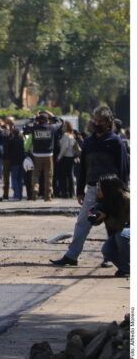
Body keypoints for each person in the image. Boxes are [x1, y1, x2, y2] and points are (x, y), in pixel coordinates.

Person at [51, 106, 129, 266]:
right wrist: (80, 190)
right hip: (93, 189)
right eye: (96, 120)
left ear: (109, 123)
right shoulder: (89, 142)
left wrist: (122, 191)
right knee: (83, 222)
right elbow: (83, 168)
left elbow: (123, 168)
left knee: (113, 225)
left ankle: (110, 257)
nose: (97, 123)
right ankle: (72, 256)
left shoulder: (115, 142)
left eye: (101, 121)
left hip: (113, 191)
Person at [88, 174, 130, 276]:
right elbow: (98, 221)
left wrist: (108, 215)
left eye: (100, 189)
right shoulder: (105, 200)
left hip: (128, 230)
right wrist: (97, 218)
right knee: (107, 250)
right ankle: (127, 268)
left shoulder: (126, 199)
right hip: (120, 231)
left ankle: (127, 269)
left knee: (121, 236)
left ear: (108, 189)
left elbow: (123, 224)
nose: (97, 192)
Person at [25, 111, 63, 201]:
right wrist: (52, 115)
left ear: (39, 120)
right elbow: (60, 123)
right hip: (48, 154)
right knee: (48, 175)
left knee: (35, 174)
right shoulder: (51, 128)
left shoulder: (34, 128)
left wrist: (35, 118)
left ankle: (35, 188)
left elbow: (27, 124)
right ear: (47, 120)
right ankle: (48, 195)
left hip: (36, 154)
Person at [55, 121, 79, 198]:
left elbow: (64, 148)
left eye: (64, 126)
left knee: (64, 176)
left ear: (68, 127)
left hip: (65, 157)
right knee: (70, 175)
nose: (62, 128)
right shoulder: (72, 135)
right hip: (71, 157)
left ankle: (65, 192)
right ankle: (71, 192)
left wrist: (59, 157)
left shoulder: (65, 135)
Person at [8, 128, 25, 201]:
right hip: (21, 161)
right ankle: (20, 195)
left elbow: (8, 151)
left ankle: (16, 195)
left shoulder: (11, 141)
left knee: (14, 179)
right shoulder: (22, 141)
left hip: (14, 162)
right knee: (20, 179)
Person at [1, 117, 16, 199]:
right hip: (11, 158)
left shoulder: (4, 132)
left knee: (8, 178)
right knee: (11, 178)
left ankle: (7, 194)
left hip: (7, 158)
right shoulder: (16, 133)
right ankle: (11, 194)